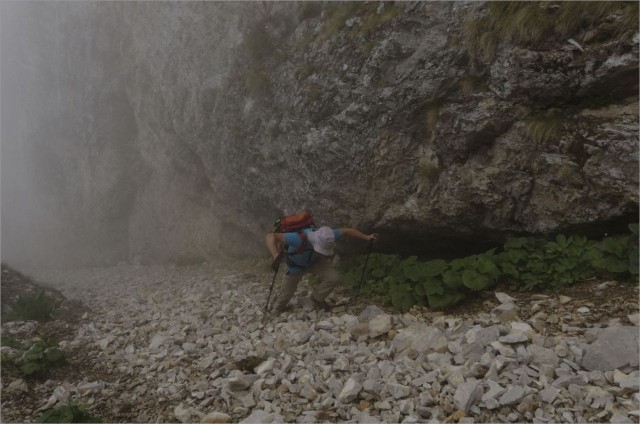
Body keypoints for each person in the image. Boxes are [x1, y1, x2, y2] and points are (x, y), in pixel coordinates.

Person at [266, 225, 377, 313]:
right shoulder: (298, 238)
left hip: (314, 262)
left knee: (333, 277)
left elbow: (347, 231)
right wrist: (276, 255)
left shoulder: (328, 235)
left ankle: (316, 299)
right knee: (286, 294)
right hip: (295, 266)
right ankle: (276, 309)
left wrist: (367, 237)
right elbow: (271, 236)